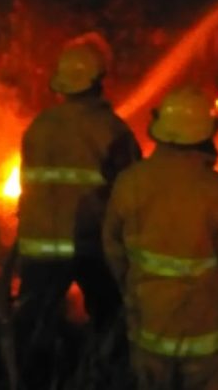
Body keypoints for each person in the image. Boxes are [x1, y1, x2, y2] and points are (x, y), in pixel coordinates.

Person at [103, 84, 218, 390]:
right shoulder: (217, 190)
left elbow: (112, 244)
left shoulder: (131, 182)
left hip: (148, 326)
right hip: (203, 334)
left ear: (160, 132)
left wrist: (131, 286)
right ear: (204, 136)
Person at [15, 40, 141, 387]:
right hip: (91, 242)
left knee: (33, 325)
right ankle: (104, 379)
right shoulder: (112, 130)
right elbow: (133, 190)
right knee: (111, 318)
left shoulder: (38, 127)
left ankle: (30, 381)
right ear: (100, 82)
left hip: (39, 242)